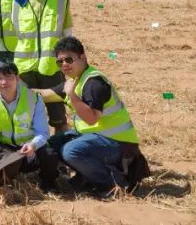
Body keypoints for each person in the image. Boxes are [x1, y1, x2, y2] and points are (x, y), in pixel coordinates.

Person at [34, 37, 149, 198]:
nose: (64, 64)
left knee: (71, 151)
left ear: (83, 58)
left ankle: (115, 184)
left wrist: (71, 95)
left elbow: (91, 119)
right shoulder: (75, 80)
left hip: (118, 144)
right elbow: (45, 94)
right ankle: (86, 178)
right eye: (60, 62)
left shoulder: (94, 83)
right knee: (51, 144)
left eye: (69, 59)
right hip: (97, 138)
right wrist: (16, 90)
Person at [0, 60, 59, 191]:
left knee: (50, 154)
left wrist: (33, 145)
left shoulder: (33, 98)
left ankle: (48, 183)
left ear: (17, 78)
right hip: (4, 149)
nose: (4, 82)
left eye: (9, 77)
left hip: (28, 149)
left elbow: (43, 132)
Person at [12, 0, 74, 132]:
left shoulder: (61, 1)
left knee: (58, 117)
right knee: (26, 116)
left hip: (51, 66)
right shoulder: (16, 4)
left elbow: (67, 34)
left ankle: (62, 150)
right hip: (24, 68)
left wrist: (67, 62)